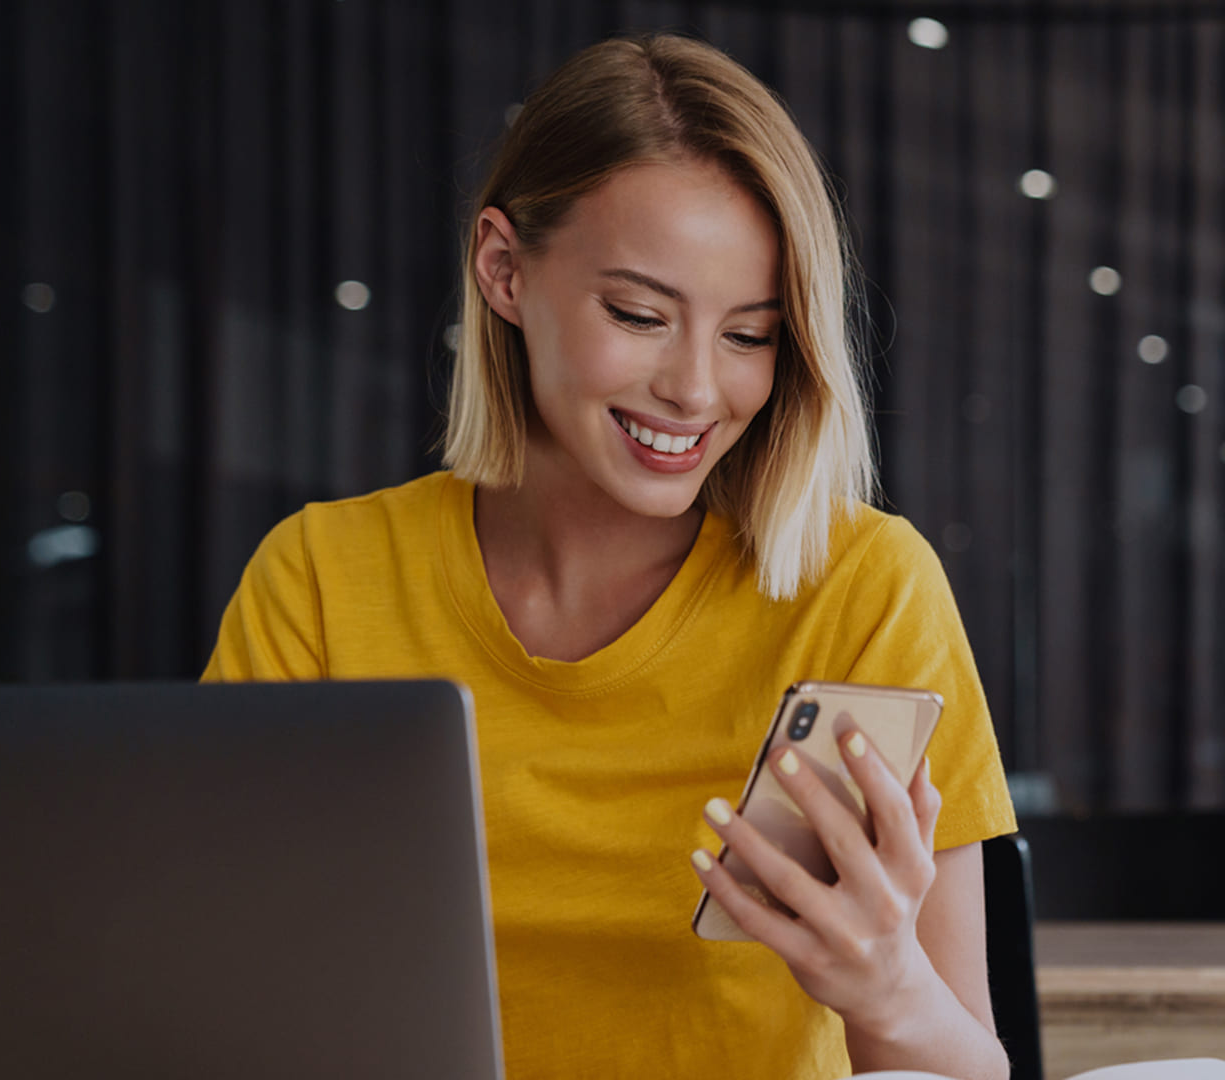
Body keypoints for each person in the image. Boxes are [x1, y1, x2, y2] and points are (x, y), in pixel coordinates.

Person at [202, 33, 1016, 1080]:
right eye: (639, 314)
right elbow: (222, 996)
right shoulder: (321, 576)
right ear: (503, 270)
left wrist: (889, 990)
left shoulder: (861, 587)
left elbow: (971, 1066)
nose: (693, 389)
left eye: (750, 335)